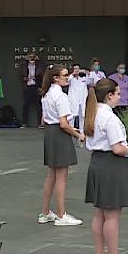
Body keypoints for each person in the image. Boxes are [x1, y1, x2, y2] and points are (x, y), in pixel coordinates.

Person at [84, 78, 128, 254]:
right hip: (111, 166)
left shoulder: (92, 113)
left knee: (99, 213)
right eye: (117, 93)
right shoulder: (110, 118)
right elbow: (117, 148)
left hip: (97, 162)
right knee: (112, 215)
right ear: (109, 96)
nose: (119, 97)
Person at [38, 65, 84, 227]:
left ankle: (45, 213)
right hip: (59, 134)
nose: (68, 77)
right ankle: (61, 214)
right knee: (61, 177)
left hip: (50, 133)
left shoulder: (46, 95)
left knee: (51, 174)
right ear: (55, 78)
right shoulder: (60, 96)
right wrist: (78, 134)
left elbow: (44, 119)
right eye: (65, 75)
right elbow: (64, 124)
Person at [19, 53, 44, 128]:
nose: (31, 59)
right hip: (27, 87)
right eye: (30, 58)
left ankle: (40, 123)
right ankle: (24, 123)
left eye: (33, 58)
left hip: (36, 87)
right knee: (26, 105)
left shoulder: (39, 66)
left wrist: (36, 77)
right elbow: (21, 76)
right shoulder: (24, 66)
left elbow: (42, 75)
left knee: (38, 105)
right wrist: (25, 78)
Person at [67, 64, 90, 132]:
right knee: (72, 115)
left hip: (82, 100)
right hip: (74, 100)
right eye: (75, 69)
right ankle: (71, 129)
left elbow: (90, 82)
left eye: (78, 69)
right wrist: (73, 74)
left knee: (82, 116)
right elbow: (67, 80)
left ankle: (82, 130)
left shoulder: (83, 79)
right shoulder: (71, 79)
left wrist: (88, 74)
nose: (77, 70)